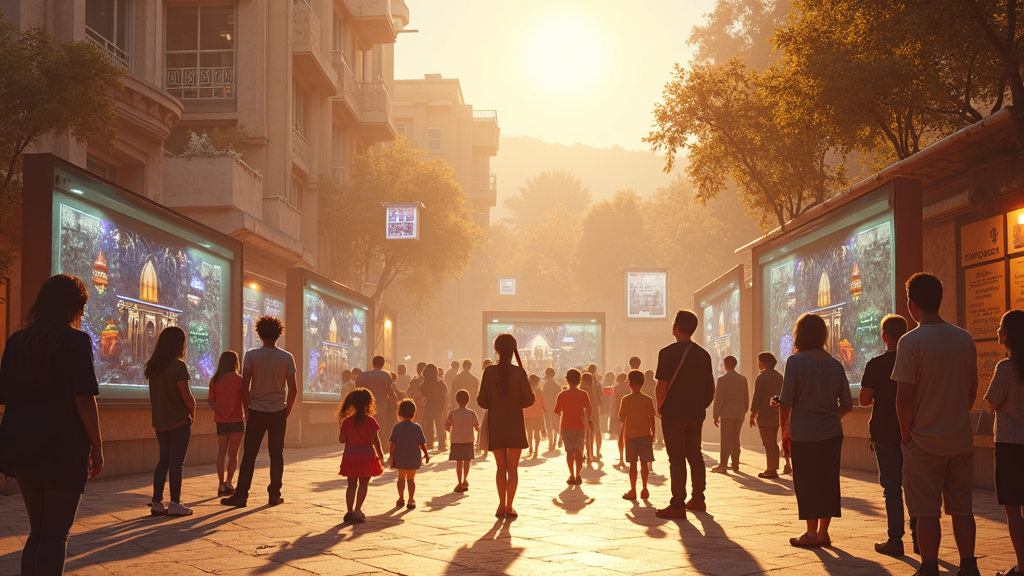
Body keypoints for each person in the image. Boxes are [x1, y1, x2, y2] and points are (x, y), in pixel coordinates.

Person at [0, 274, 102, 575]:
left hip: (20, 446)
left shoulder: (17, 341)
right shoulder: (76, 341)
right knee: (56, 533)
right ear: (74, 306)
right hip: (61, 447)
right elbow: (84, 399)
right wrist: (97, 445)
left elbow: (5, 394)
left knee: (39, 530)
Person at [892, 273, 980, 576]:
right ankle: (969, 566)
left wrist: (906, 436)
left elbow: (904, 398)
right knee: (962, 508)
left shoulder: (911, 342)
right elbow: (972, 390)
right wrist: (954, 416)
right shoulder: (964, 338)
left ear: (911, 304)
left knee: (925, 511)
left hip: (923, 441)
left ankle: (929, 567)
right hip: (960, 439)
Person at [779, 313, 853, 548]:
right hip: (831, 434)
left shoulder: (796, 362)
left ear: (800, 334)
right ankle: (823, 532)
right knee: (828, 480)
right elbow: (847, 404)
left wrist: (784, 431)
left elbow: (786, 401)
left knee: (807, 482)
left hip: (804, 434)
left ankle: (810, 533)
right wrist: (831, 417)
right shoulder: (835, 363)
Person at [222, 316, 297, 508]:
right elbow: (293, 389)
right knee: (276, 454)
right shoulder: (287, 357)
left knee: (249, 455)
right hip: (278, 411)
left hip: (256, 410)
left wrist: (247, 409)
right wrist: (287, 408)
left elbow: (244, 386)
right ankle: (274, 494)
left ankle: (241, 495)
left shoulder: (252, 355)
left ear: (259, 333)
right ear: (279, 333)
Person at [654, 310, 716, 519]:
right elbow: (710, 389)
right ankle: (698, 499)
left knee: (677, 459)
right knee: (695, 456)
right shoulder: (703, 354)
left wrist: (660, 408)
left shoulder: (667, 352)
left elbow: (661, 387)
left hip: (674, 414)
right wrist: (700, 406)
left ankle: (678, 504)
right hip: (695, 414)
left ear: (677, 328)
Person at [860, 315, 912, 556]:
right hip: (913, 431)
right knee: (915, 487)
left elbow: (863, 399)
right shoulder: (914, 361)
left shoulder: (876, 364)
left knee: (892, 488)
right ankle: (921, 539)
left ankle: (895, 540)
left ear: (884, 336)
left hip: (885, 431)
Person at [477, 333, 535, 518]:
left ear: (496, 350)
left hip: (496, 424)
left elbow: (482, 401)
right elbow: (528, 400)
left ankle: (501, 505)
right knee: (513, 468)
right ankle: (510, 506)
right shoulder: (519, 372)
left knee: (501, 468)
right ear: (513, 349)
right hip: (515, 423)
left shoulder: (489, 372)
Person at [985, 310, 1024, 576]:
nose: (997, 331)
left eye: (1000, 327)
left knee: (1013, 510)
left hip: (1010, 444)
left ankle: (1022, 566)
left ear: (1009, 333)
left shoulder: (1006, 367)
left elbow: (990, 401)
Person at [145, 326, 196, 517]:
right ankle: (175, 502)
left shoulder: (153, 366)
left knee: (163, 462)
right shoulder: (178, 366)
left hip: (160, 423)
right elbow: (187, 396)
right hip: (178, 422)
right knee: (177, 463)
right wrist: (192, 413)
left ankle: (157, 502)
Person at [338, 388, 384, 522]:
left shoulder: (347, 422)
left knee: (351, 485)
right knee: (364, 484)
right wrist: (380, 455)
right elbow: (376, 440)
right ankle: (358, 510)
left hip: (351, 455)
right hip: (367, 455)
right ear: (368, 403)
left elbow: (341, 440)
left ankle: (349, 511)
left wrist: (341, 428)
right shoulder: (370, 421)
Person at [209, 351, 245, 497]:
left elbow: (211, 401)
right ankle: (230, 483)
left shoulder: (215, 380)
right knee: (233, 455)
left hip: (221, 421)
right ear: (235, 362)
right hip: (236, 420)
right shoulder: (239, 380)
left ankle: (221, 484)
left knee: (221, 454)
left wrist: (219, 411)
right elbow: (245, 398)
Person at [620, 370, 656, 501]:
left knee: (633, 464)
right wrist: (653, 433)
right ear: (643, 383)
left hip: (630, 436)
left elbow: (622, 416)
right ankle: (645, 488)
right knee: (644, 463)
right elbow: (652, 417)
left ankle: (633, 489)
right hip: (645, 435)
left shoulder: (625, 400)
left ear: (629, 383)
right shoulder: (648, 399)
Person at [554, 369, 593, 486]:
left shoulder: (562, 395)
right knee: (579, 452)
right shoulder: (583, 394)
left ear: (567, 379)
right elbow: (589, 409)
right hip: (579, 427)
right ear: (579, 380)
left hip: (566, 428)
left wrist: (558, 430)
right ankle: (578, 475)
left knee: (569, 452)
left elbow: (557, 413)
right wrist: (589, 421)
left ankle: (571, 474)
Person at [749, 351, 784, 479]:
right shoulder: (779, 377)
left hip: (764, 415)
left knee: (767, 442)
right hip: (775, 414)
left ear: (763, 363)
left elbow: (757, 397)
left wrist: (753, 414)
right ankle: (774, 466)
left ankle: (770, 469)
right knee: (773, 442)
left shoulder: (761, 377)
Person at [389, 399, 429, 509]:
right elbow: (422, 443)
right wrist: (426, 454)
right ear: (414, 413)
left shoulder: (397, 427)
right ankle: (411, 500)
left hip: (400, 458)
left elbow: (393, 444)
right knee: (411, 480)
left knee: (401, 478)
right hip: (413, 458)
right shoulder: (417, 427)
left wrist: (391, 457)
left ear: (399, 412)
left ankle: (401, 498)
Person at [712, 356, 748, 474]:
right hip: (739, 413)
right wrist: (743, 411)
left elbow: (719, 398)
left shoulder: (722, 379)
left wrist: (716, 414)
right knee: (735, 438)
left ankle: (723, 464)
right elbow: (746, 398)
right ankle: (735, 464)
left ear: (725, 364)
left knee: (726, 439)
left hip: (727, 414)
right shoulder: (742, 379)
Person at [357, 356, 397, 456]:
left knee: (364, 430)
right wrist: (395, 404)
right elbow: (390, 392)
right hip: (381, 409)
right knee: (380, 430)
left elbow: (357, 392)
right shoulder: (385, 375)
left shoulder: (362, 375)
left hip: (365, 409)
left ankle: (366, 451)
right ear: (383, 364)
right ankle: (380, 452)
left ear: (372, 363)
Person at [445, 390, 480, 492]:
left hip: (456, 440)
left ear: (456, 401)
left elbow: (447, 426)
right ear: (468, 401)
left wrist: (450, 431)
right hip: (468, 440)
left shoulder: (452, 413)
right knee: (467, 462)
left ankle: (459, 482)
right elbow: (477, 427)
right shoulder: (472, 413)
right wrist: (478, 440)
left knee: (459, 462)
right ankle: (465, 480)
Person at [419, 364, 448, 451]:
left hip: (428, 408)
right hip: (439, 408)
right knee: (440, 426)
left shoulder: (424, 384)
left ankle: (430, 443)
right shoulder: (441, 383)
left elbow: (421, 395)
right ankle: (442, 444)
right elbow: (445, 396)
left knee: (428, 427)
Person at [523, 374, 547, 458]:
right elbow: (544, 404)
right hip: (538, 414)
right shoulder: (540, 392)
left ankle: (531, 448)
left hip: (528, 414)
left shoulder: (526, 391)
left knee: (529, 433)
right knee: (537, 432)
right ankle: (536, 450)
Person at [585, 364, 604, 459]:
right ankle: (597, 452)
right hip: (595, 408)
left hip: (585, 409)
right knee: (597, 430)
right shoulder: (597, 384)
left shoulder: (584, 383)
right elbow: (600, 397)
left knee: (588, 431)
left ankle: (589, 453)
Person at [612, 372, 631, 466]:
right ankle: (630, 457)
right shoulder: (629, 386)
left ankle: (621, 458)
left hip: (621, 413)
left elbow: (616, 401)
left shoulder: (617, 387)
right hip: (631, 413)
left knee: (621, 436)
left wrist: (616, 414)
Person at [543, 367, 562, 451]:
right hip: (556, 406)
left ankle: (550, 443)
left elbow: (545, 396)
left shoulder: (546, 384)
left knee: (549, 425)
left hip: (548, 407)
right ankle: (555, 442)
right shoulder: (557, 385)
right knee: (555, 425)